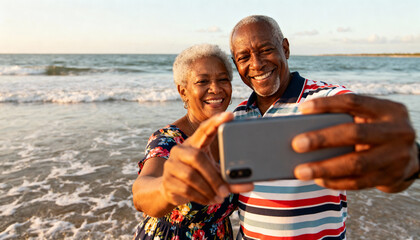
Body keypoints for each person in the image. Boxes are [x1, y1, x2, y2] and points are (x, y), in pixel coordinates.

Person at [168, 15, 419, 240]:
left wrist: (408, 164)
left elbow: (384, 156)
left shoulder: (328, 102)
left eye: (265, 50)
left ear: (285, 48)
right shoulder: (237, 118)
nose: (256, 64)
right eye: (244, 57)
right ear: (237, 64)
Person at [132, 44, 252, 240]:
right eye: (202, 81)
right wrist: (168, 188)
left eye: (223, 79)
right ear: (183, 91)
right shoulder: (168, 139)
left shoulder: (233, 136)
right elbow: (141, 194)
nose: (215, 88)